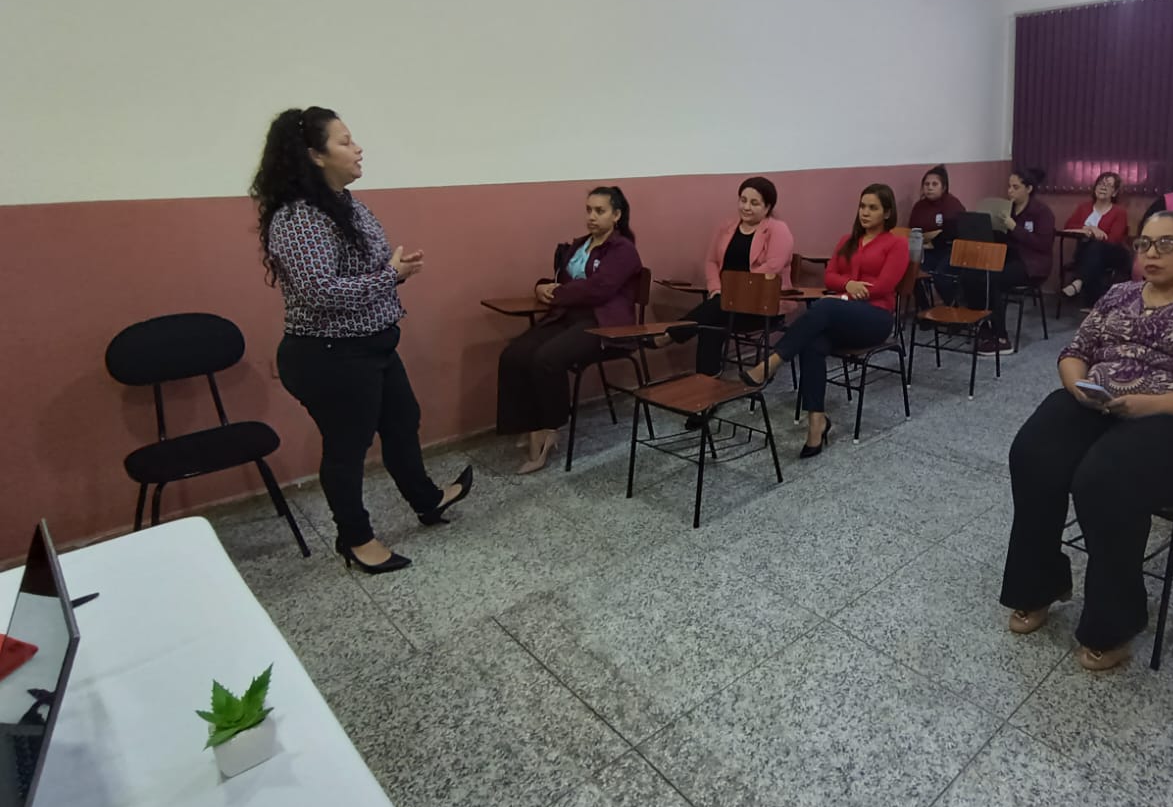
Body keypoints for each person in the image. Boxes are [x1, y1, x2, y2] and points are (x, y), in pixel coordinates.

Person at [1001, 211, 1173, 670]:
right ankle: (1039, 584)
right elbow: (1074, 353)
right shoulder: (1119, 295)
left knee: (1104, 479)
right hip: (1106, 404)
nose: (1151, 254)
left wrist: (1150, 404)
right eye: (1144, 244)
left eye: (1166, 245)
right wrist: (1078, 386)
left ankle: (1113, 622)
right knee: (1034, 453)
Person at [252, 107, 472, 575]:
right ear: (314, 155)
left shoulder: (346, 202)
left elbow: (365, 274)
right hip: (330, 354)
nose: (358, 149)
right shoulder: (298, 217)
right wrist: (388, 277)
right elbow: (319, 292)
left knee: (402, 421)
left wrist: (395, 272)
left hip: (372, 344)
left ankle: (426, 499)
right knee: (347, 448)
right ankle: (355, 539)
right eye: (346, 141)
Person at [741, 184, 910, 457]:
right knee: (813, 342)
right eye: (862, 206)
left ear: (887, 212)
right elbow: (830, 277)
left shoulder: (896, 244)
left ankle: (772, 362)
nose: (865, 213)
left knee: (825, 306)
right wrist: (850, 283)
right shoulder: (847, 241)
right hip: (842, 313)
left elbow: (884, 284)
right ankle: (816, 422)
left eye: (873, 208)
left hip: (876, 318)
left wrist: (853, 289)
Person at [497, 186, 643, 473]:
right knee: (514, 354)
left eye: (599, 211)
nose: (591, 216)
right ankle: (527, 424)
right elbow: (559, 278)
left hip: (603, 323)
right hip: (567, 316)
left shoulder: (623, 250)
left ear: (616, 215)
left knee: (546, 358)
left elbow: (599, 289)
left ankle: (550, 429)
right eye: (588, 210)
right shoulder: (580, 245)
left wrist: (558, 293)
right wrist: (541, 287)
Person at [664, 177, 794, 380]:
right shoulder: (727, 227)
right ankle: (707, 381)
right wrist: (716, 287)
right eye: (743, 200)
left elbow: (772, 268)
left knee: (716, 311)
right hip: (726, 302)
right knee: (714, 317)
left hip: (763, 305)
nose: (746, 207)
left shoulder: (778, 230)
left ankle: (673, 335)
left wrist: (733, 290)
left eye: (754, 203)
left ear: (767, 207)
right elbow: (711, 261)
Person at [960, 166, 1055, 355]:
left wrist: (1014, 228)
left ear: (1028, 189)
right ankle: (984, 324)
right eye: (1009, 186)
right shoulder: (1007, 209)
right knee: (970, 273)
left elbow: (1043, 244)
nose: (1010, 191)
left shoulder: (1042, 212)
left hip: (1032, 265)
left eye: (1015, 187)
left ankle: (1001, 337)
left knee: (993, 279)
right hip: (1008, 258)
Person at [1060, 171, 1130, 305]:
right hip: (1086, 255)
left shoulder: (1119, 212)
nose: (1103, 187)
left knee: (1095, 246)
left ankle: (1078, 281)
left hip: (1114, 254)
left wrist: (1094, 235)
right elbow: (1068, 225)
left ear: (1114, 193)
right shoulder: (1084, 208)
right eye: (1100, 184)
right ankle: (1092, 301)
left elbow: (1114, 239)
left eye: (1108, 185)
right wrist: (1090, 228)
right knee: (1091, 251)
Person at [908, 165, 965, 300]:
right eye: (926, 184)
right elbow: (913, 232)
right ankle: (925, 310)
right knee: (912, 272)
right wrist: (930, 236)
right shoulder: (919, 207)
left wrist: (928, 236)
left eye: (934, 184)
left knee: (941, 276)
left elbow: (949, 232)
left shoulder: (952, 204)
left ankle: (952, 309)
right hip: (927, 250)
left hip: (950, 251)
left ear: (943, 187)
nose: (930, 187)